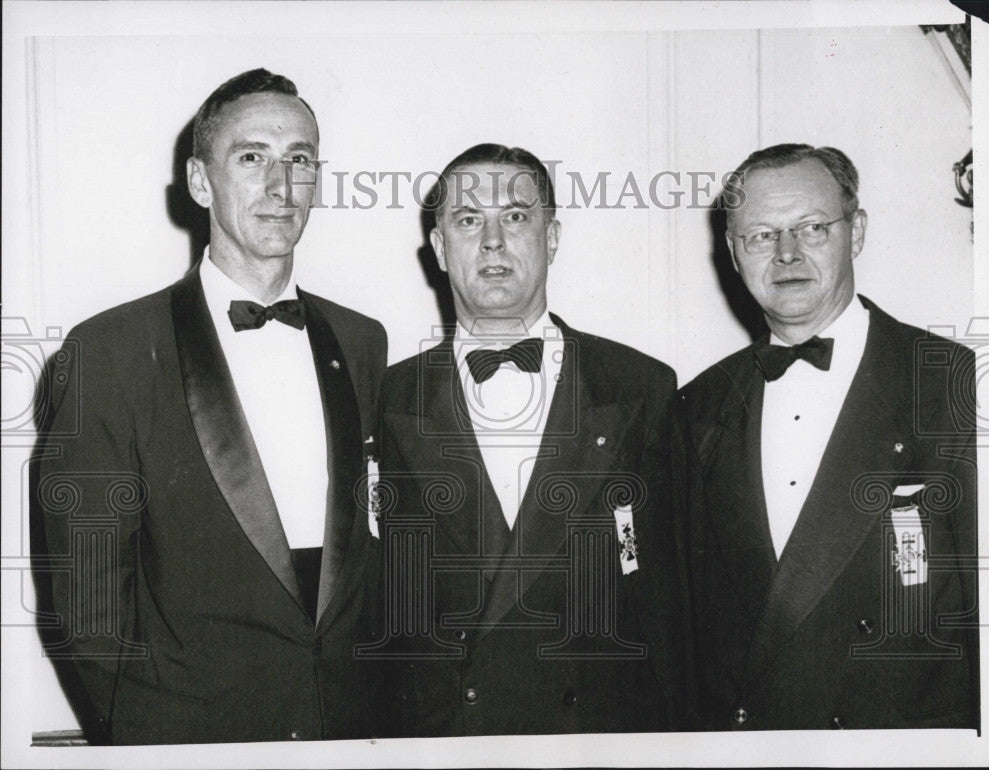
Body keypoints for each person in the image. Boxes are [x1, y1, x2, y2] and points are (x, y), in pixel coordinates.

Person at [38, 69, 386, 744]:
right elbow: (87, 601)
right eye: (252, 157)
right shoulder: (106, 351)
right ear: (201, 182)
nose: (281, 188)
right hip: (189, 735)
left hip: (349, 729)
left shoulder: (363, 341)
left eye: (300, 161)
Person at [370, 143, 688, 737]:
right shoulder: (385, 398)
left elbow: (669, 612)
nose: (493, 241)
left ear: (553, 237)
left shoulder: (643, 388)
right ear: (440, 249)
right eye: (468, 221)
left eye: (515, 216)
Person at [678, 143, 978, 730]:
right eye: (761, 236)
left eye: (812, 228)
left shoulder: (953, 384)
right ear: (733, 254)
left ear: (856, 231)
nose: (787, 254)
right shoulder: (697, 406)